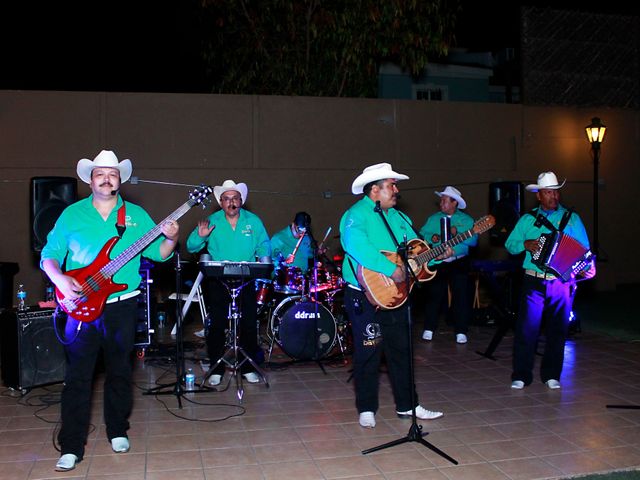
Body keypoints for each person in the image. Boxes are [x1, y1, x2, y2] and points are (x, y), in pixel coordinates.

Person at [41, 150, 180, 472]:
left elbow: (158, 255)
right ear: (90, 180)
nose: (107, 178)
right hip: (81, 306)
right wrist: (61, 280)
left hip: (123, 304)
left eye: (113, 174)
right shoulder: (72, 215)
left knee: (120, 371)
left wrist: (171, 239)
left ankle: (118, 430)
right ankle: (71, 446)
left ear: (120, 180)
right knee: (78, 377)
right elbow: (49, 254)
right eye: (100, 174)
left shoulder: (136, 215)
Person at [340, 163, 443, 428]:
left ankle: (409, 405)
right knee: (368, 350)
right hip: (364, 294)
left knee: (402, 350)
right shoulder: (355, 215)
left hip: (398, 295)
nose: (396, 191)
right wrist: (390, 269)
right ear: (375, 190)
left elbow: (415, 253)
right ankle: (366, 407)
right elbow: (356, 246)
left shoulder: (399, 218)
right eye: (391, 185)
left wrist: (437, 256)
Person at [505, 171, 595, 390]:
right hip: (533, 281)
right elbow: (510, 244)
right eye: (548, 193)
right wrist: (526, 244)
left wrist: (584, 268)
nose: (553, 197)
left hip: (561, 282)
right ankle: (521, 375)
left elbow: (584, 250)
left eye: (556, 192)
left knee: (558, 329)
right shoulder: (528, 220)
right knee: (527, 329)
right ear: (539, 195)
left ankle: (552, 375)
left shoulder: (572, 219)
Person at [186, 179, 271, 386]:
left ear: (241, 201)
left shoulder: (253, 221)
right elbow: (191, 246)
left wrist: (262, 257)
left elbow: (264, 245)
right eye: (226, 199)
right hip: (218, 280)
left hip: (246, 279)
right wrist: (200, 237)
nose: (231, 202)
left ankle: (247, 368)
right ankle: (216, 368)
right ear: (221, 202)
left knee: (249, 324)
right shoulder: (212, 220)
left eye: (235, 198)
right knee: (216, 325)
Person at [419, 186, 477, 344]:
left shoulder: (466, 221)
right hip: (438, 262)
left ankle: (461, 330)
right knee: (434, 295)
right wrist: (434, 238)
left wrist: (455, 233)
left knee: (461, 295)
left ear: (454, 203)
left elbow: (472, 241)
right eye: (441, 200)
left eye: (445, 200)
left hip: (458, 261)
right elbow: (422, 235)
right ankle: (429, 328)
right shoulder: (433, 218)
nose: (441, 203)